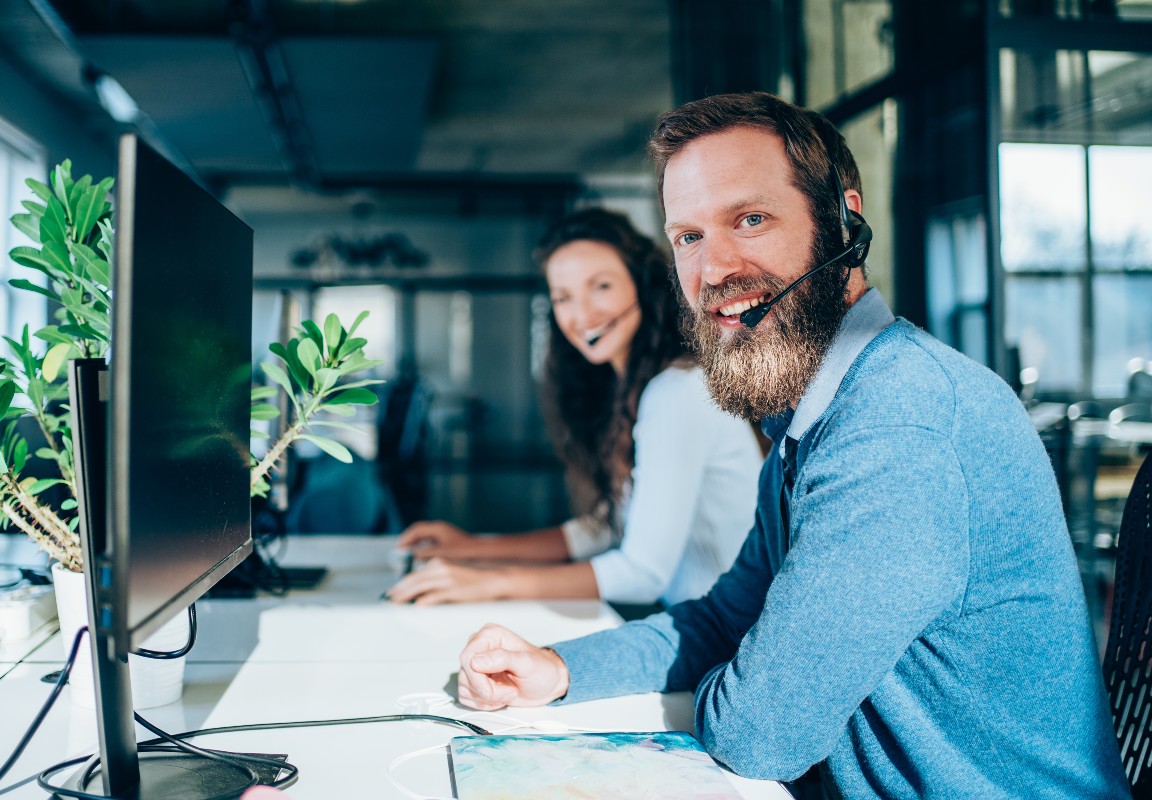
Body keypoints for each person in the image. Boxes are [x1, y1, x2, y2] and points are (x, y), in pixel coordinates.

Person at [453, 92, 1129, 798]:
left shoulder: (899, 419)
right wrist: (559, 670)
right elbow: (725, 621)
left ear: (844, 216)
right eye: (687, 236)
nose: (713, 270)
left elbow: (760, 732)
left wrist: (761, 677)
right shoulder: (813, 418)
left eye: (750, 219)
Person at [387, 208, 762, 607]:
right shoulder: (631, 389)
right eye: (563, 297)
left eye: (601, 286)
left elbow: (643, 573)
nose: (582, 315)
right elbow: (605, 529)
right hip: (700, 628)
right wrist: (473, 548)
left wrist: (490, 583)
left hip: (736, 642)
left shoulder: (678, 392)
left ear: (643, 286)